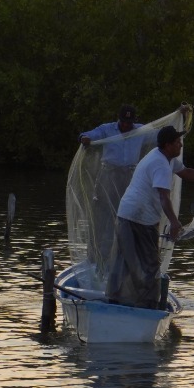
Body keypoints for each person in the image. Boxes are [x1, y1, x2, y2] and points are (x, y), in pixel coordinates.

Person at [108, 124, 194, 308]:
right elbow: (163, 196)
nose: (180, 146)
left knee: (139, 262)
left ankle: (131, 302)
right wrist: (175, 222)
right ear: (167, 145)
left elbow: (187, 173)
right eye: (177, 142)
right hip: (135, 217)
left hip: (134, 215)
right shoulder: (160, 164)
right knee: (143, 264)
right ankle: (144, 306)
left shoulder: (166, 158)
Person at [78, 105, 157, 267]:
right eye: (124, 122)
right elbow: (89, 135)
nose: (127, 126)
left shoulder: (140, 131)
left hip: (129, 178)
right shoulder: (107, 129)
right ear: (118, 119)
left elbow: (162, 135)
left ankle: (124, 257)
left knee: (128, 217)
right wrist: (85, 138)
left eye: (130, 123)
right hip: (108, 176)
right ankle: (97, 257)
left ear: (134, 121)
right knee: (103, 216)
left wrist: (180, 115)